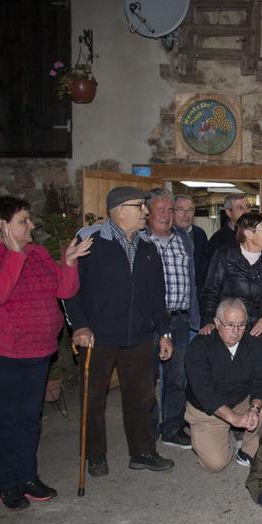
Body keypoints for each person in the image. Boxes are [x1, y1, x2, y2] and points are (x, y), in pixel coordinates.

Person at [0, 195, 92, 510]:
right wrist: (13, 254)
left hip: (37, 350)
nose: (31, 225)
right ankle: (8, 483)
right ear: (2, 226)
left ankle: (28, 476)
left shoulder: (36, 253)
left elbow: (63, 290)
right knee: (4, 420)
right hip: (0, 354)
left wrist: (70, 263)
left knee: (29, 419)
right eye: (23, 221)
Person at [67, 186, 175, 476]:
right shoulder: (89, 243)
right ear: (118, 210)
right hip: (98, 336)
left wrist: (164, 332)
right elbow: (70, 289)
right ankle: (95, 455)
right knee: (94, 399)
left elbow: (156, 294)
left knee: (141, 397)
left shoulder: (147, 247)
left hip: (139, 337)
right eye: (139, 206)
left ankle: (142, 451)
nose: (145, 212)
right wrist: (79, 325)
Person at [184, 298, 262, 472]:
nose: (236, 331)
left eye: (241, 325)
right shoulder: (199, 347)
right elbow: (205, 393)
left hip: (240, 401)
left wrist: (254, 409)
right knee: (216, 464)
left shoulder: (253, 343)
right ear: (217, 323)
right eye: (230, 325)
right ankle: (206, 434)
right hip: (207, 410)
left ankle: (247, 451)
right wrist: (233, 418)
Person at [199, 211, 262, 376]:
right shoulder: (225, 256)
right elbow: (210, 292)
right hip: (230, 335)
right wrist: (208, 320)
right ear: (248, 233)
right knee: (231, 382)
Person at [141, 188, 195, 450]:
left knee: (178, 377)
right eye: (160, 210)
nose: (166, 215)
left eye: (169, 210)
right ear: (148, 213)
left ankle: (172, 428)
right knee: (147, 378)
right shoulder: (139, 241)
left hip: (181, 319)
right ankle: (148, 429)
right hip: (150, 322)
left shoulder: (183, 238)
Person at [172, 193, 210, 290]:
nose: (186, 214)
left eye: (190, 210)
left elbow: (205, 266)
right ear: (172, 211)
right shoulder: (167, 234)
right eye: (180, 209)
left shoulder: (200, 234)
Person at [205, 193, 249, 262]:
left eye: (248, 207)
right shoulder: (218, 240)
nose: (246, 211)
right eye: (240, 208)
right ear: (228, 212)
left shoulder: (257, 234)